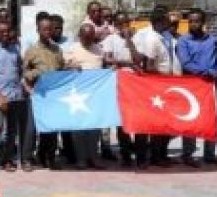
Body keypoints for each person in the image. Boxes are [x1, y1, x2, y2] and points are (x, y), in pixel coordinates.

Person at [176, 9, 217, 167]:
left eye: (197, 21)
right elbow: (186, 63)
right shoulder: (183, 41)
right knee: (190, 118)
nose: (193, 24)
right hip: (192, 85)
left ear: (203, 23)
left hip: (211, 85)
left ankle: (209, 154)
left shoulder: (213, 40)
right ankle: (188, 154)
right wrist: (206, 72)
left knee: (213, 118)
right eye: (191, 21)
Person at [132, 7, 177, 168]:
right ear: (160, 21)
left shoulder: (164, 37)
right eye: (167, 19)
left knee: (163, 124)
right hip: (155, 86)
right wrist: (163, 76)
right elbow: (149, 65)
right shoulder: (151, 39)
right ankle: (142, 158)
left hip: (166, 85)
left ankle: (159, 156)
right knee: (146, 124)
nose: (170, 22)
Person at [0, 22, 31, 171]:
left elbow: (19, 70)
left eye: (7, 31)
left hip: (16, 95)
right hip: (0, 97)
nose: (5, 34)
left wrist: (24, 86)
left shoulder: (15, 49)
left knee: (11, 132)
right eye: (1, 31)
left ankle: (7, 160)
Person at [24, 16, 65, 169]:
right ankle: (27, 159)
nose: (48, 32)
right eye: (45, 29)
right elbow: (25, 72)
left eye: (51, 29)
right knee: (32, 128)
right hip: (37, 94)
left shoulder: (56, 49)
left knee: (51, 128)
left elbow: (61, 69)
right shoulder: (32, 51)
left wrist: (71, 68)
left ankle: (49, 157)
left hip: (53, 95)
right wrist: (36, 73)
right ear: (38, 30)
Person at [63, 23, 105, 169]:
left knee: (94, 129)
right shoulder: (72, 49)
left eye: (91, 37)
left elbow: (103, 67)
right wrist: (70, 67)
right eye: (86, 37)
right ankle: (81, 159)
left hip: (95, 96)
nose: (88, 40)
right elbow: (62, 68)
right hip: (78, 97)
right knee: (79, 130)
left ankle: (93, 158)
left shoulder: (99, 49)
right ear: (80, 36)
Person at [100, 12, 139, 163]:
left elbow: (138, 58)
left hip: (136, 83)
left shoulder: (137, 39)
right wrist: (127, 63)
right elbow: (108, 59)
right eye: (120, 24)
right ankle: (126, 153)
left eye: (126, 23)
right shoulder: (111, 39)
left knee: (135, 117)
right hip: (119, 82)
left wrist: (129, 40)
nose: (124, 27)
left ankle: (137, 148)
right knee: (122, 119)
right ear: (115, 25)